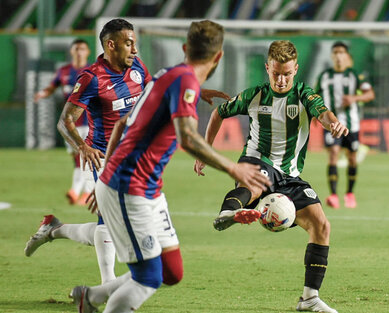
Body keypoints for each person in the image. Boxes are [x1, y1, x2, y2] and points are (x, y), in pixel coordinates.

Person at [69, 20, 271, 313]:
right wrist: (234, 169)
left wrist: (103, 178)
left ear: (185, 48)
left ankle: (91, 297)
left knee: (171, 271)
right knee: (149, 278)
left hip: (147, 189)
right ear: (219, 57)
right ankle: (93, 303)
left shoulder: (171, 75)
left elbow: (124, 122)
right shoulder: (183, 81)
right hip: (128, 187)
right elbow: (188, 137)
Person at [24, 18, 230, 285]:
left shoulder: (137, 69)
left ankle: (55, 230)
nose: (134, 49)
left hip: (135, 159)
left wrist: (193, 90)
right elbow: (65, 122)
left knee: (111, 226)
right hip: (103, 156)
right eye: (129, 43)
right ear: (111, 45)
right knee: (108, 224)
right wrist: (83, 147)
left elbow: (156, 92)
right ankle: (106, 285)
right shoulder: (91, 78)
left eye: (135, 43)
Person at [194, 40, 348, 313]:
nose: (280, 79)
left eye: (286, 74)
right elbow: (219, 112)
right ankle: (228, 212)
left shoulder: (303, 95)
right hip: (257, 161)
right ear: (267, 68)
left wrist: (333, 123)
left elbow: (322, 113)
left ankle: (310, 298)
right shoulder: (253, 96)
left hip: (290, 175)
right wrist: (205, 151)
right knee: (255, 181)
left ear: (296, 70)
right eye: (275, 73)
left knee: (321, 226)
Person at [315, 41, 375, 209]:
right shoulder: (324, 76)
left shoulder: (355, 76)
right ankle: (333, 195)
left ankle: (349, 193)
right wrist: (315, 114)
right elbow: (314, 96)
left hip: (352, 125)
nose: (338, 55)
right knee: (333, 153)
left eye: (341, 52)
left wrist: (354, 98)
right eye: (335, 52)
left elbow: (369, 94)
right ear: (332, 56)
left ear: (347, 56)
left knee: (352, 158)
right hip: (331, 125)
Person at [34, 38, 92, 205]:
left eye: (82, 48)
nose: (79, 51)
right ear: (71, 51)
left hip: (90, 122)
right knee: (77, 157)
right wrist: (43, 93)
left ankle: (79, 191)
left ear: (87, 52)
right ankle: (81, 192)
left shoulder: (93, 70)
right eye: (76, 48)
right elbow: (53, 86)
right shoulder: (64, 71)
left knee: (85, 156)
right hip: (70, 122)